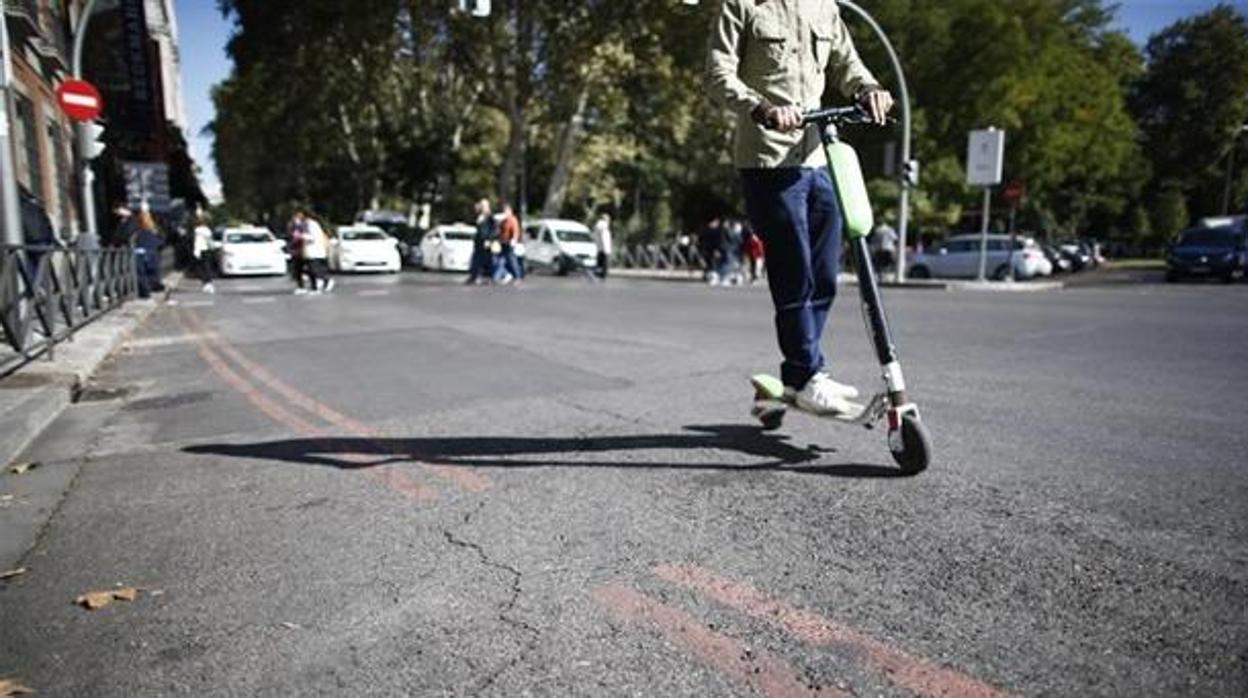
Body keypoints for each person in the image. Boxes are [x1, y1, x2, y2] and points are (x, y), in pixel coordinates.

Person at [708, 0, 894, 414]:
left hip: (817, 158)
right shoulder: (741, 6)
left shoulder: (824, 7)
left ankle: (798, 375)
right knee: (795, 273)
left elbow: (848, 63)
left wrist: (870, 89)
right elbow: (717, 74)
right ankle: (809, 373)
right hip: (767, 161)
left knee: (826, 274)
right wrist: (762, 107)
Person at [133, 209, 163, 299]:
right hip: (152, 254)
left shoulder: (139, 232)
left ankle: (145, 292)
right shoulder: (154, 230)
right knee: (151, 273)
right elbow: (160, 242)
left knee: (142, 274)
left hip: (141, 254)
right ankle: (151, 288)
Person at [300, 211, 333, 293]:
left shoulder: (312, 225)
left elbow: (313, 237)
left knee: (316, 269)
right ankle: (314, 287)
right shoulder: (310, 225)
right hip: (311, 252)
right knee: (311, 270)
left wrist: (302, 236)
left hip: (315, 251)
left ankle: (326, 281)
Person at [466, 198, 495, 285]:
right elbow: (475, 225)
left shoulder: (490, 216)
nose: (482, 207)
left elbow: (494, 229)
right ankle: (473, 276)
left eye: (484, 206)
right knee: (475, 259)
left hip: (486, 241)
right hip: (479, 241)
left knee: (487, 260)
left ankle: (488, 278)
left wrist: (489, 239)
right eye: (481, 205)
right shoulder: (479, 216)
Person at [496, 202, 524, 284]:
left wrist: (514, 240)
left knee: (512, 260)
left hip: (509, 243)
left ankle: (517, 277)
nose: (505, 213)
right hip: (503, 243)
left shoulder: (512, 219)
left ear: (510, 211)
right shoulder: (503, 221)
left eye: (506, 211)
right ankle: (507, 275)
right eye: (504, 211)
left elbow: (516, 231)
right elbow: (500, 231)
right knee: (501, 260)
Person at [192, 214, 216, 293]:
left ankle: (205, 283)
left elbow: (196, 242)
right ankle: (208, 283)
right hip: (206, 250)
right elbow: (209, 241)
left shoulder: (196, 231)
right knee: (207, 267)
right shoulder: (207, 231)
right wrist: (213, 247)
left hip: (198, 251)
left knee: (200, 268)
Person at [592, 212, 613, 280]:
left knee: (599, 262)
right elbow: (604, 238)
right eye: (608, 219)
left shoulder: (598, 226)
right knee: (604, 263)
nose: (609, 221)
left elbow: (595, 237)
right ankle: (602, 275)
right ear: (605, 219)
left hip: (600, 247)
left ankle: (598, 274)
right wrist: (606, 248)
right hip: (604, 248)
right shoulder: (603, 226)